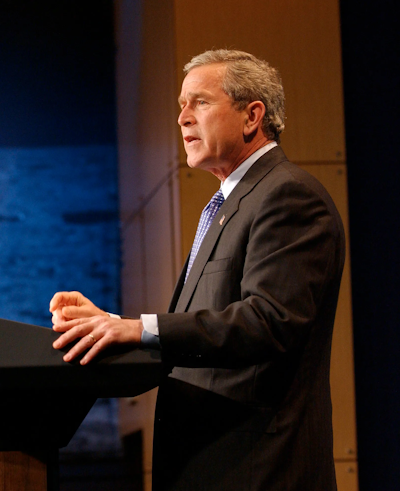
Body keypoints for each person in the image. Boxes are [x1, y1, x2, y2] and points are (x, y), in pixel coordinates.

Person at [50, 50, 345, 491]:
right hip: (209, 466)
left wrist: (140, 329)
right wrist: (113, 326)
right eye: (180, 106)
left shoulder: (288, 196)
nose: (183, 118)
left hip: (259, 470)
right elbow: (204, 330)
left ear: (252, 116)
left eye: (199, 102)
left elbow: (269, 322)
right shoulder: (230, 204)